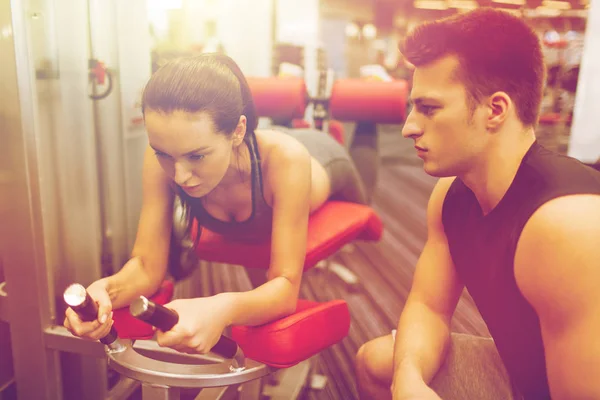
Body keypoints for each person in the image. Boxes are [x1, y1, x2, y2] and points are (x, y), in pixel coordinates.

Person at [355, 8, 600, 400]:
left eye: (429, 108)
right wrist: (410, 379)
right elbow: (429, 307)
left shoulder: (565, 224)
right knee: (379, 363)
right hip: (524, 372)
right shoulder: (453, 195)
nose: (409, 127)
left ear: (495, 110)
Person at [63, 53, 370, 354]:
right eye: (164, 155)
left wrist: (221, 307)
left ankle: (370, 124)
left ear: (237, 131)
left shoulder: (286, 160)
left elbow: (286, 287)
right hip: (248, 150)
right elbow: (146, 265)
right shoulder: (165, 154)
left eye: (196, 156)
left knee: (366, 175)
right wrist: (105, 290)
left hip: (324, 158)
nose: (180, 176)